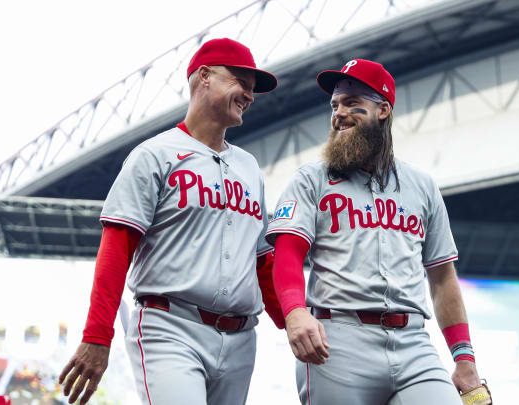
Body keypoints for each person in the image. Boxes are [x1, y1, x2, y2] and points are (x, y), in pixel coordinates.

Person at [58, 38, 284, 405]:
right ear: (205, 77)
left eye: (252, 88)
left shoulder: (249, 168)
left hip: (241, 338)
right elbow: (117, 248)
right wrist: (97, 337)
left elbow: (261, 261)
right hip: (171, 327)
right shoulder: (154, 155)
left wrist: (293, 322)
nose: (249, 94)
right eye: (241, 81)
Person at [266, 59, 483, 404]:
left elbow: (442, 278)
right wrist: (294, 312)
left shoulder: (421, 185)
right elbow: (288, 253)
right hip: (338, 340)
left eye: (353, 103)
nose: (339, 113)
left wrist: (464, 358)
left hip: (413, 343)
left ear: (382, 110)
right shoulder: (312, 179)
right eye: (335, 105)